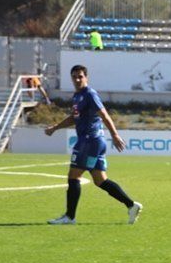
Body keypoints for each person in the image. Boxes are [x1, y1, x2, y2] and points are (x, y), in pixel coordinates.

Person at [44, 64, 142, 225]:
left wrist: (115, 135)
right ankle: (131, 205)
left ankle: (69, 217)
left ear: (86, 77)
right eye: (74, 76)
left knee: (74, 176)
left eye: (80, 76)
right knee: (100, 180)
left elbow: (103, 114)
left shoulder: (89, 94)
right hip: (92, 142)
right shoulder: (77, 96)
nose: (77, 79)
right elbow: (73, 118)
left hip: (89, 141)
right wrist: (55, 128)